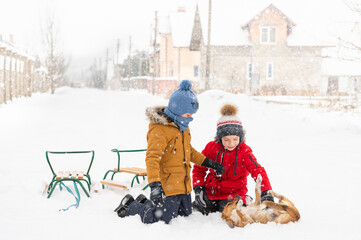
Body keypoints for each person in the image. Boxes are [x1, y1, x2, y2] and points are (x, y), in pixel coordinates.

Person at [114, 80, 224, 224]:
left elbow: (188, 151)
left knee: (185, 215)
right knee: (161, 219)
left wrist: (209, 163)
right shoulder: (160, 130)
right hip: (168, 185)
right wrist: (155, 185)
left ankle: (144, 202)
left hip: (183, 184)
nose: (190, 118)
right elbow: (152, 158)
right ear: (177, 110)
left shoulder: (183, 126)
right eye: (188, 115)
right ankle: (131, 206)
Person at [192, 104, 274, 215]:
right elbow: (199, 169)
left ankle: (245, 200)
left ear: (241, 137)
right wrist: (198, 188)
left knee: (228, 213)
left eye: (235, 139)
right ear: (220, 138)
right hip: (211, 192)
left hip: (233, 193)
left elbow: (258, 170)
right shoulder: (211, 148)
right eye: (226, 140)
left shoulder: (244, 151)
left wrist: (266, 192)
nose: (231, 144)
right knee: (199, 210)